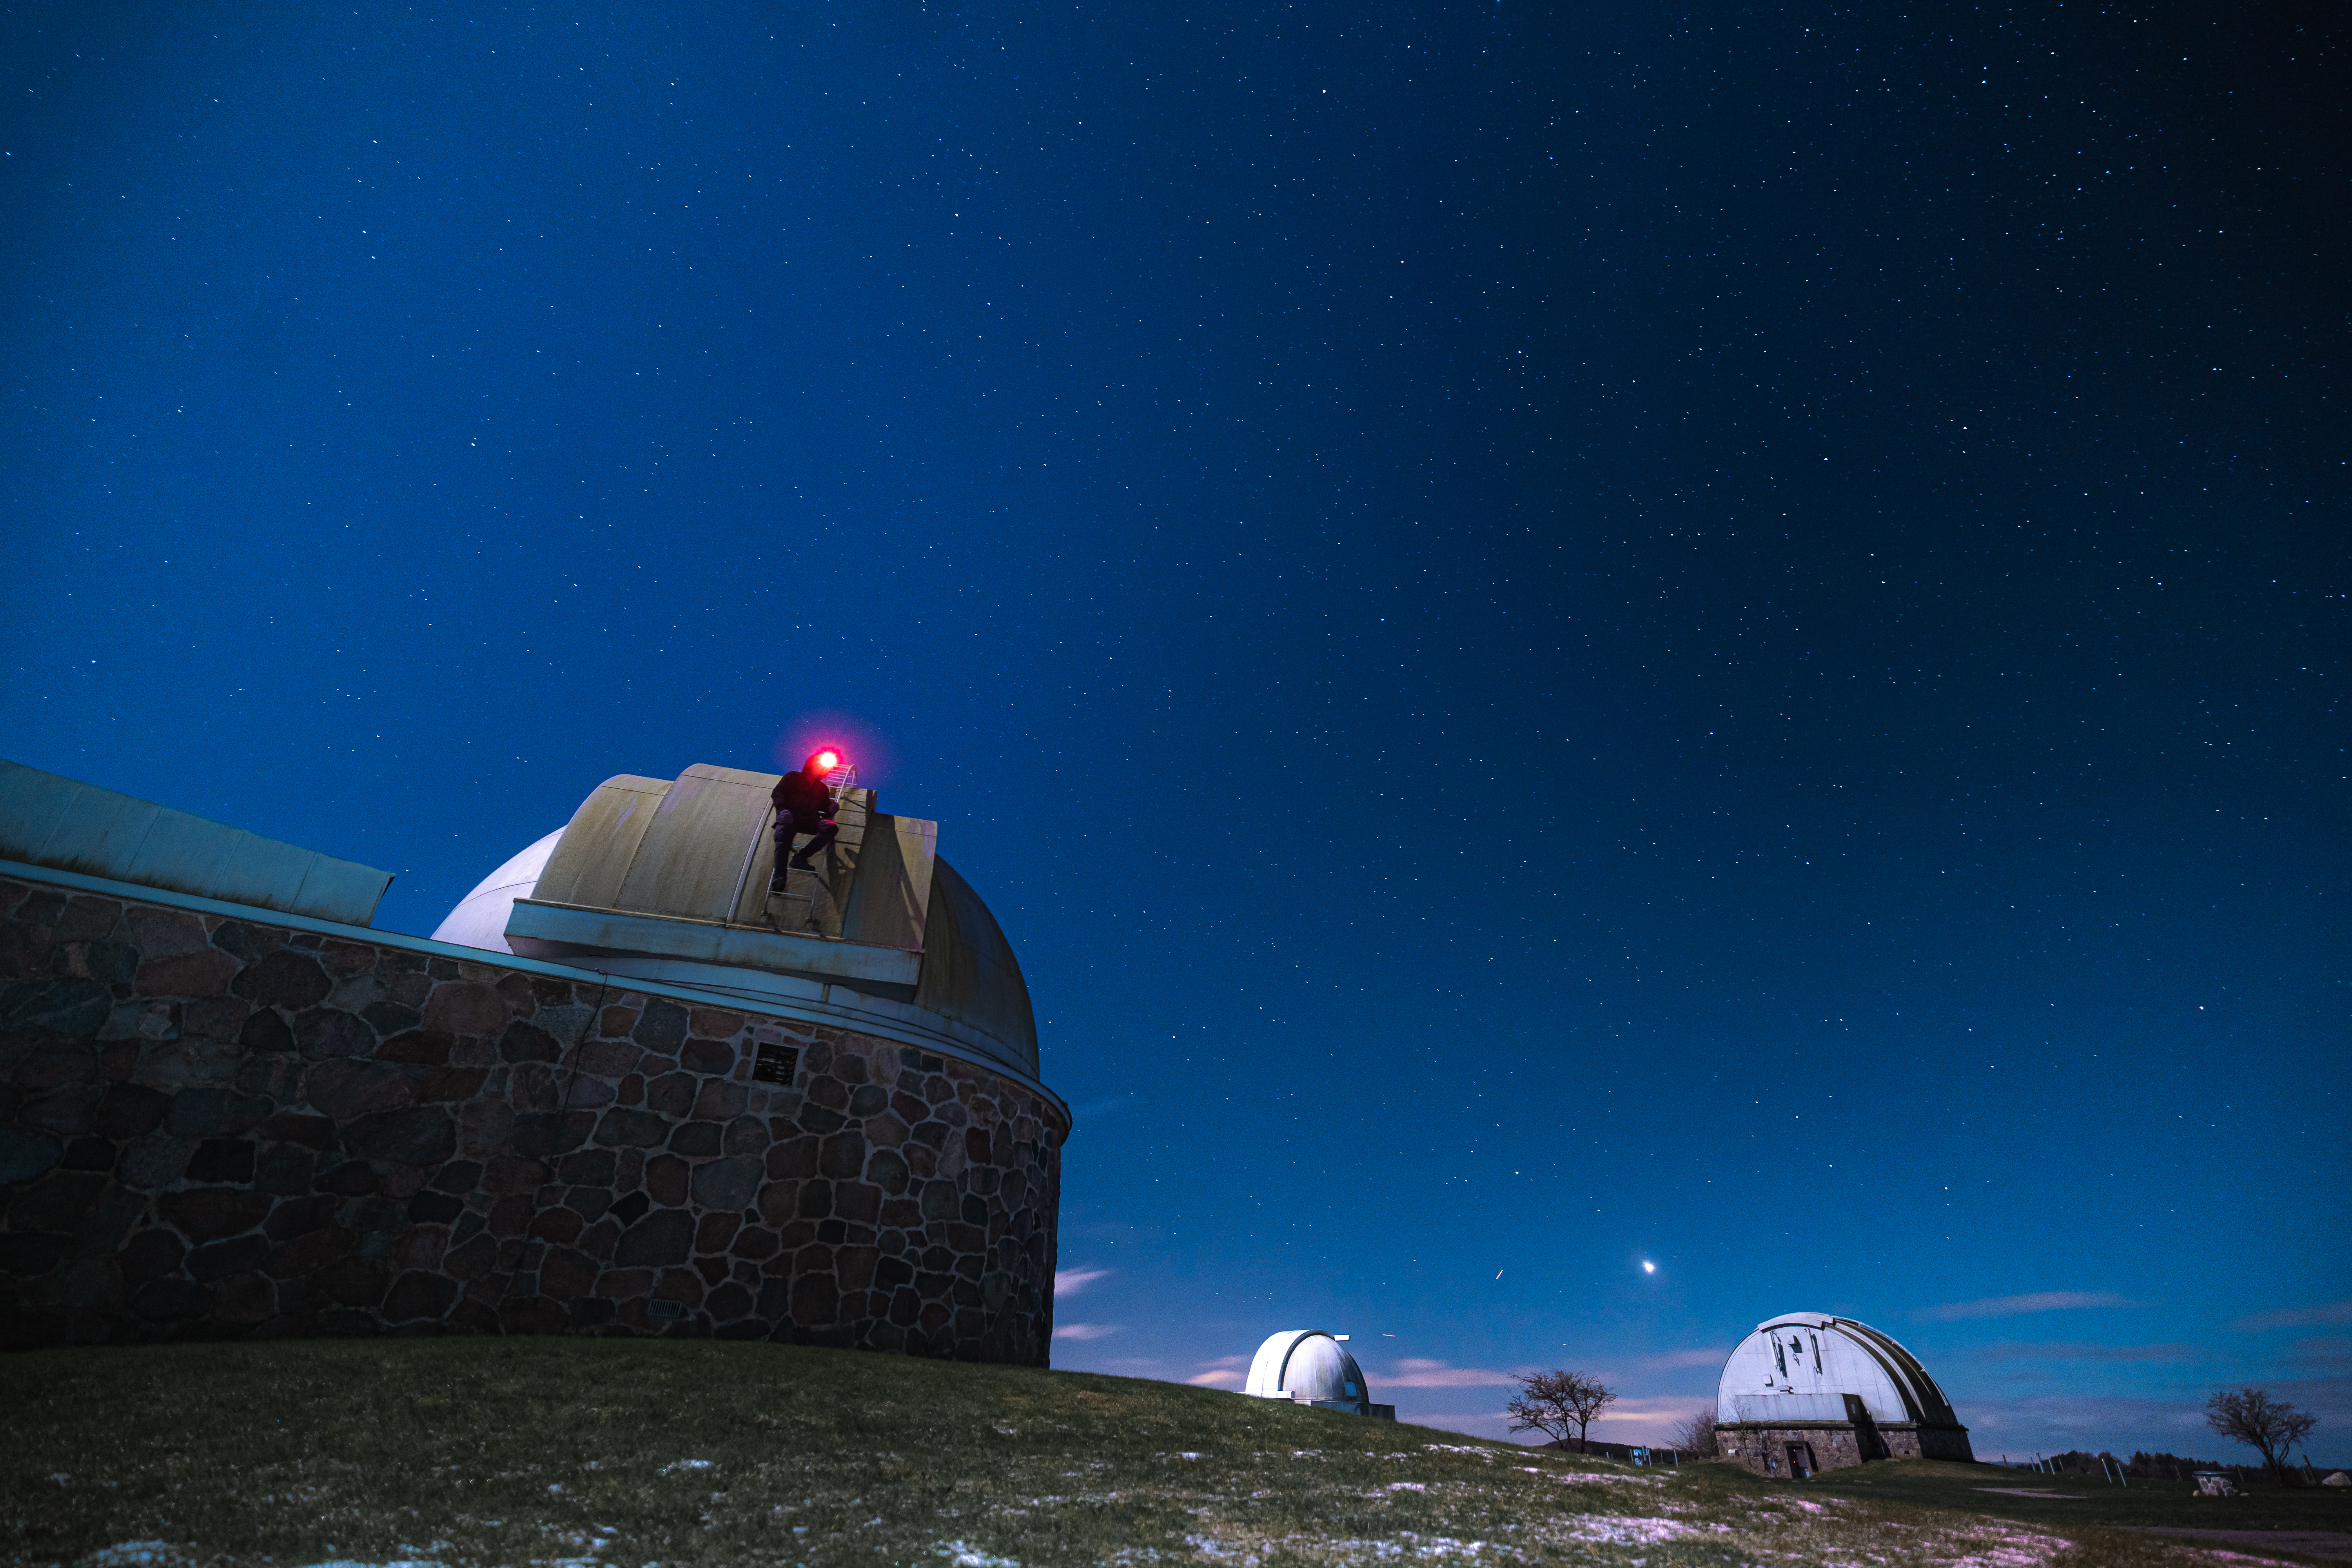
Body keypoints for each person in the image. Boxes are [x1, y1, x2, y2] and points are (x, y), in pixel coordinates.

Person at [769, 750, 840, 886]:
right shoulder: (793, 777)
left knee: (831, 827)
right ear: (811, 764)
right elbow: (779, 792)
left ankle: (801, 858)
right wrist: (783, 810)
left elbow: (825, 808)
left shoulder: (822, 788)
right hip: (789, 816)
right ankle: (780, 877)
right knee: (783, 837)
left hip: (809, 820)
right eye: (819, 764)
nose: (822, 767)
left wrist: (831, 808)